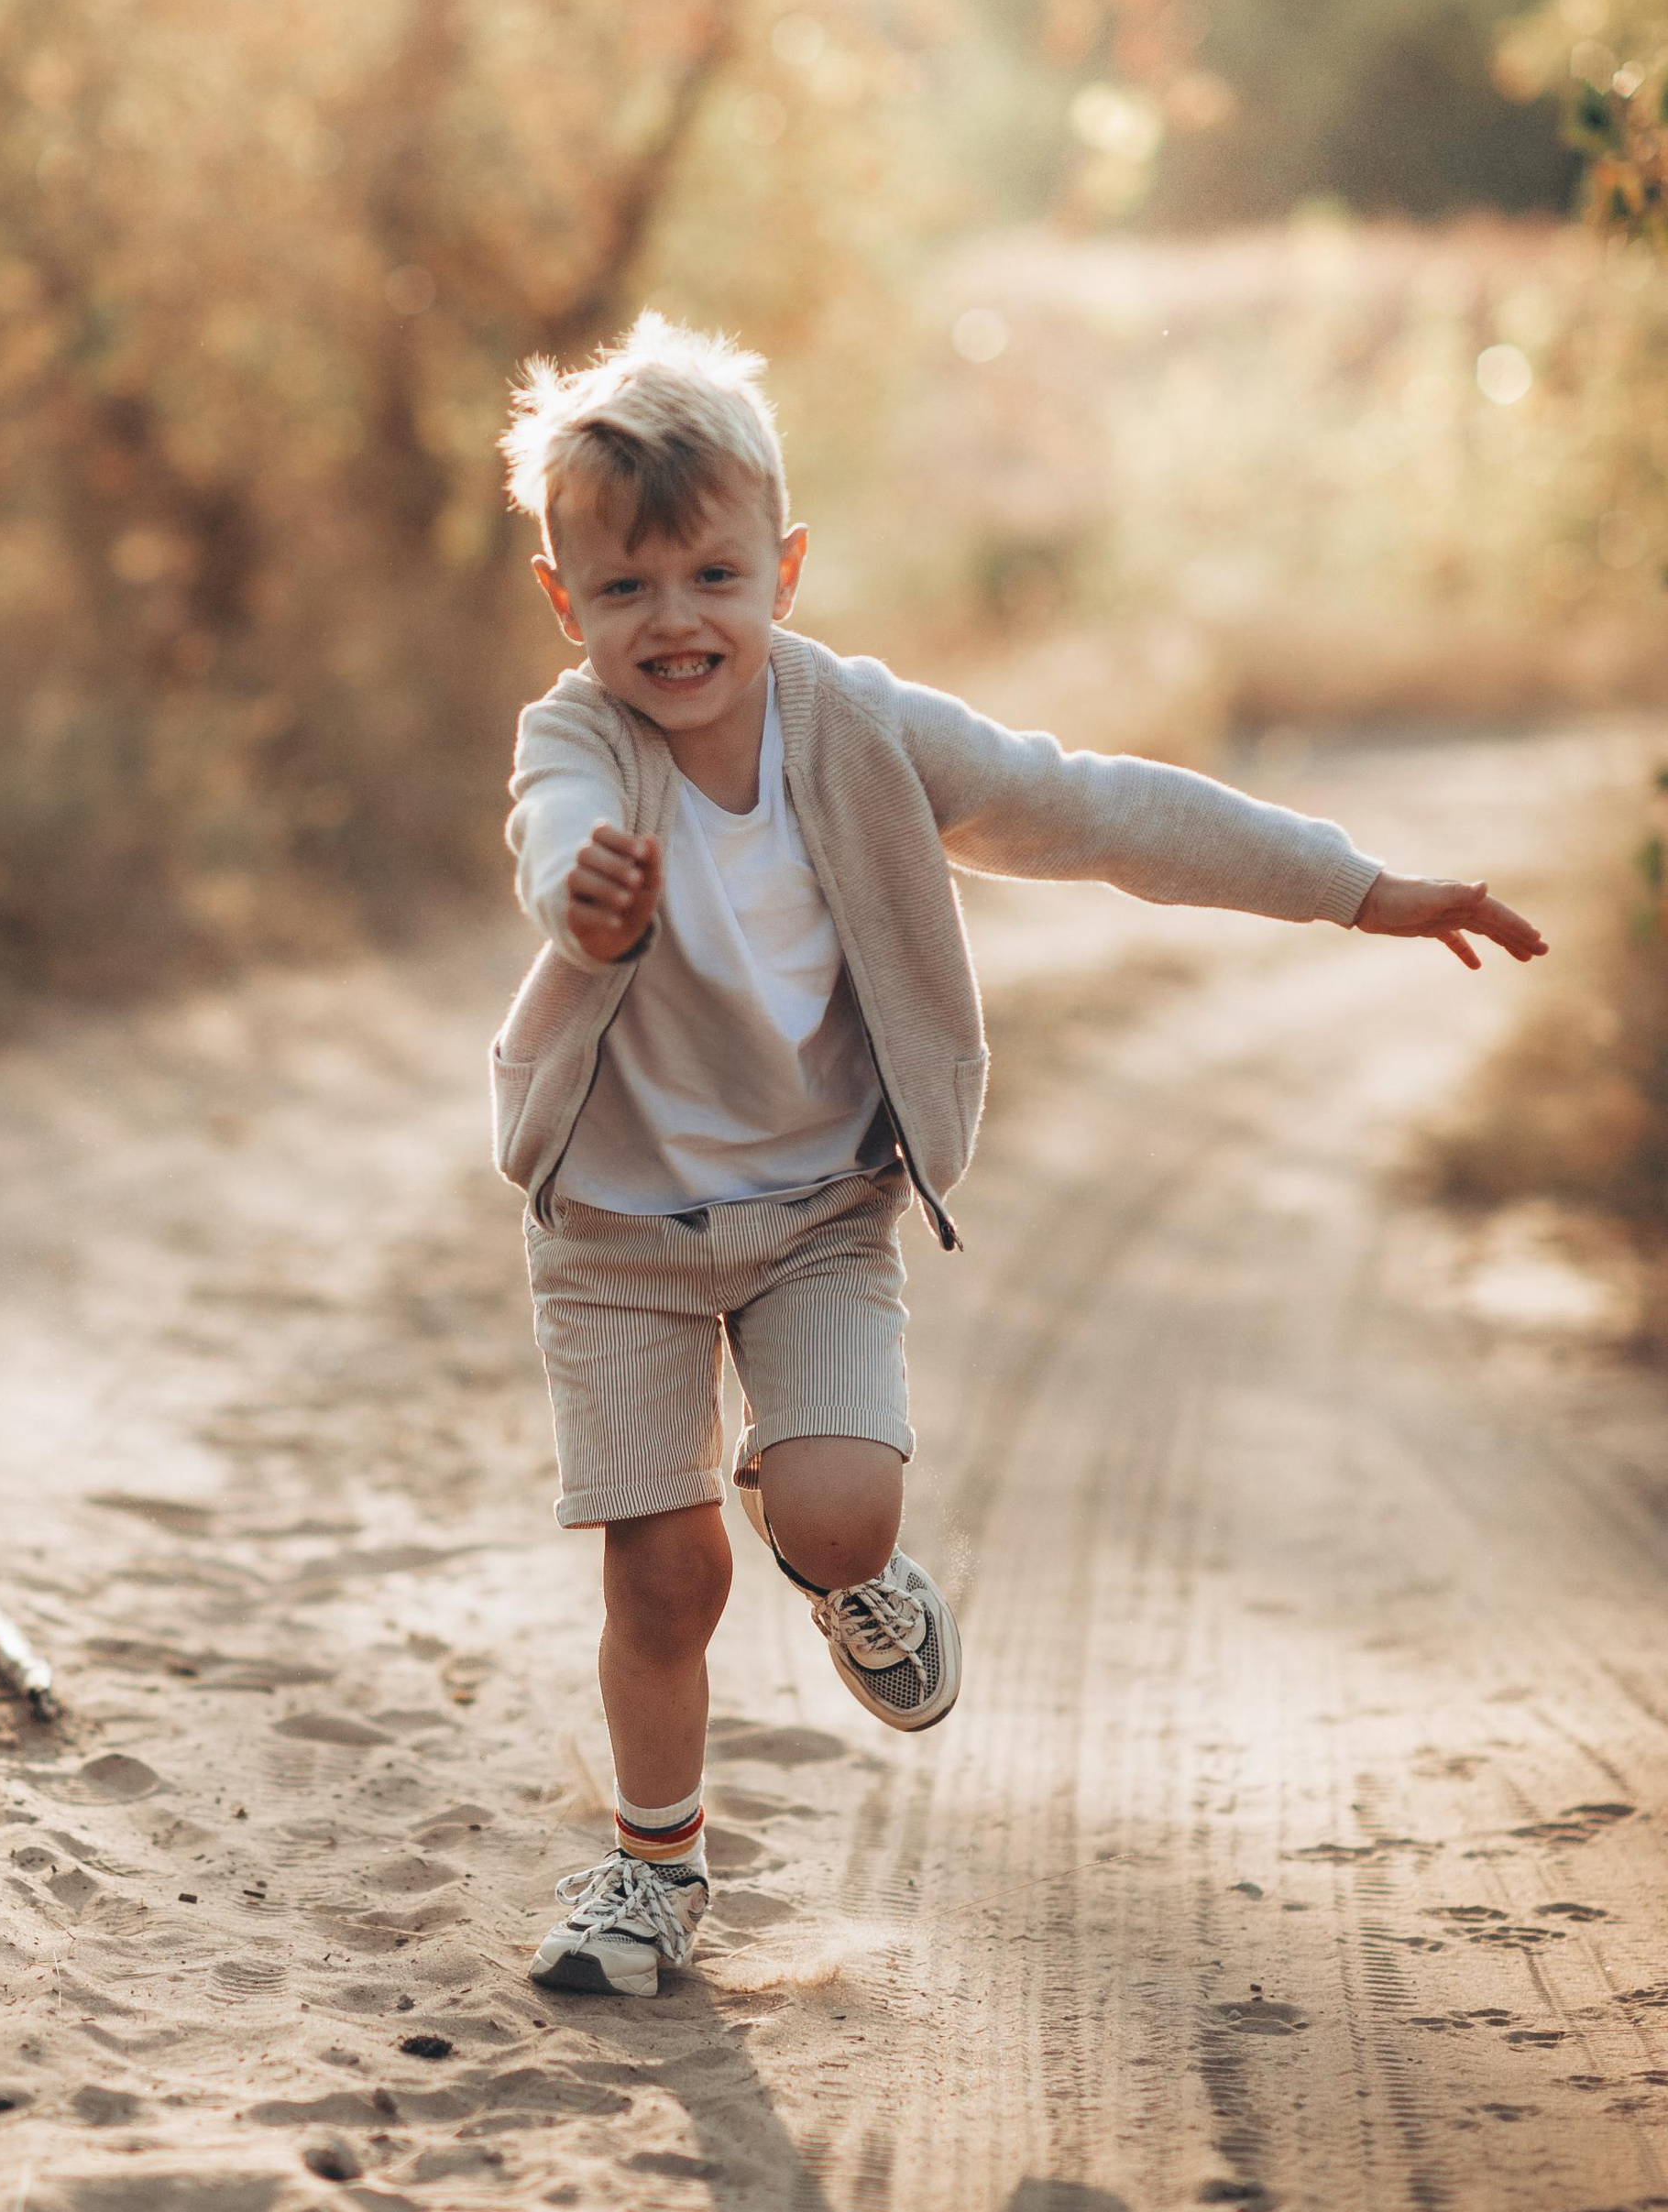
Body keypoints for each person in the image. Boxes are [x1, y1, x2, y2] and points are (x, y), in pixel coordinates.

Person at [494, 312, 1549, 1998]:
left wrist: (1360, 886)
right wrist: (582, 893)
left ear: (786, 561)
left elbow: (1106, 813)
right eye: (624, 591)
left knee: (835, 1513)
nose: (673, 622)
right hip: (615, 1224)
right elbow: (547, 835)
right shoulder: (579, 745)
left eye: (711, 575)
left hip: (816, 1214)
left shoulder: (860, 732)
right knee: (663, 1570)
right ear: (566, 601)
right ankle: (655, 1870)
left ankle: (854, 1581)